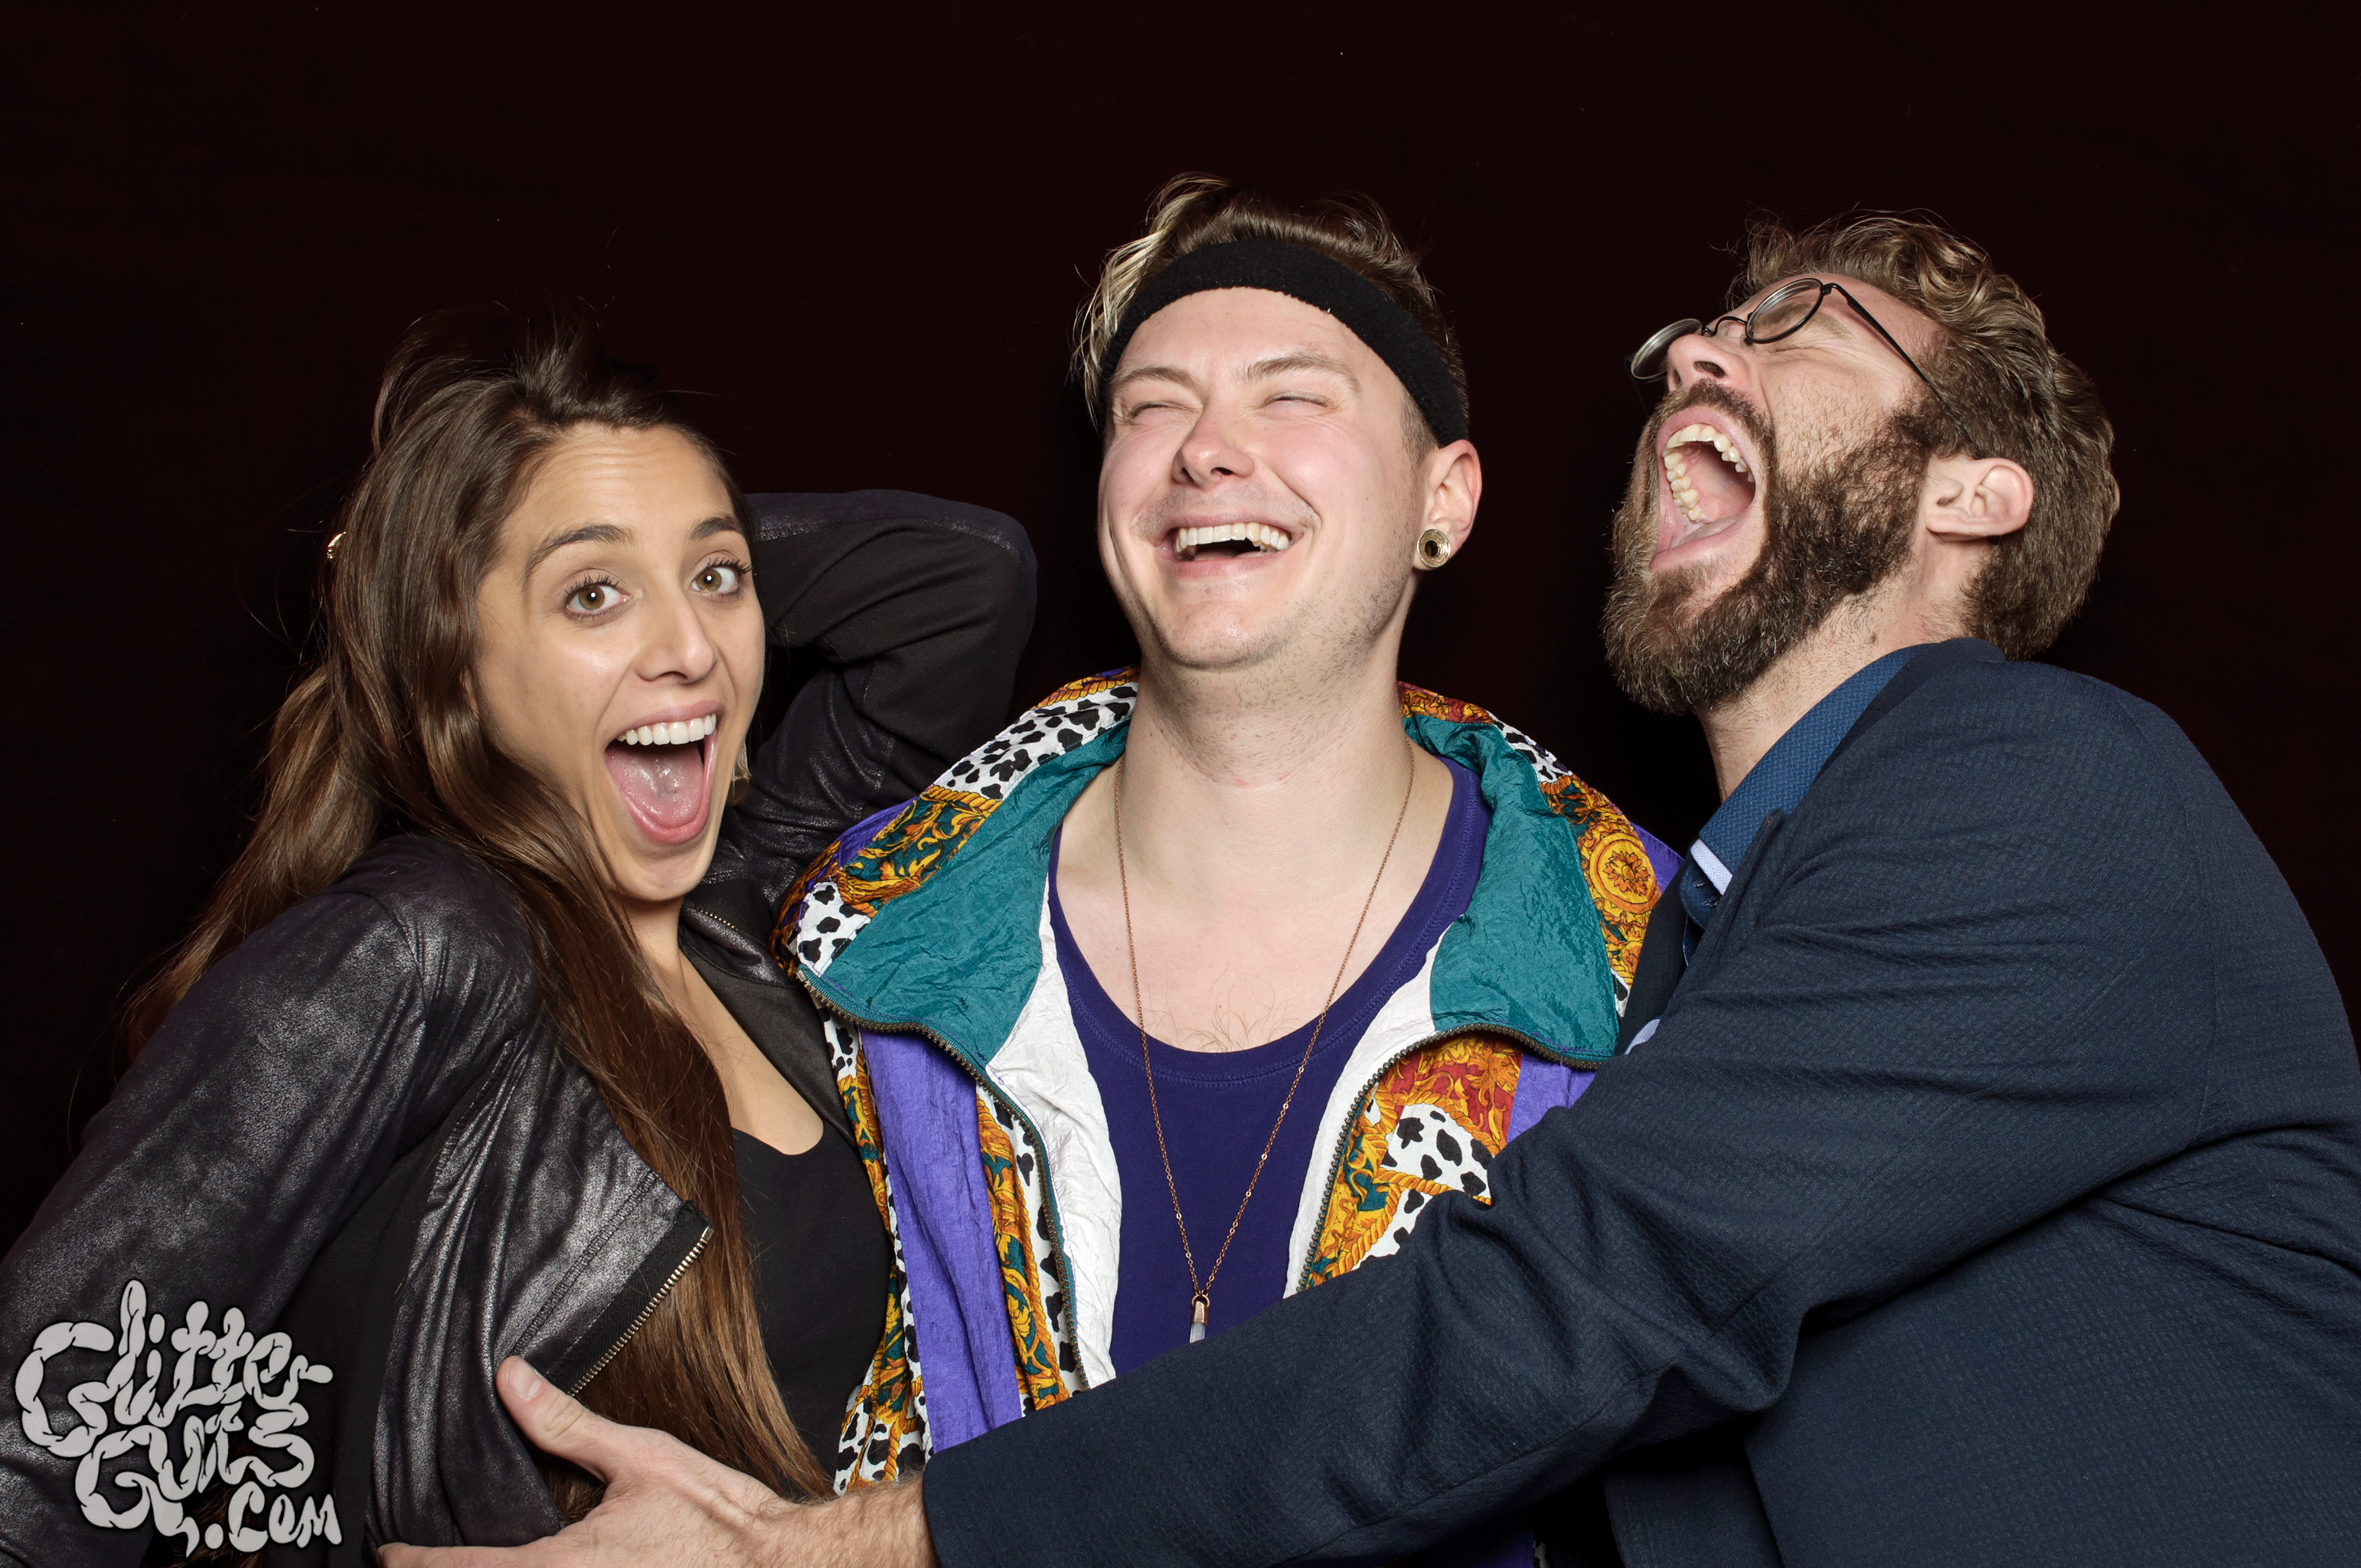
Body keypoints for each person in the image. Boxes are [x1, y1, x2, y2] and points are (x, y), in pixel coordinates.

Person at [384, 212, 2361, 1568]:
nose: (1696, 345)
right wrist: (504, 565)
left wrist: (835, 1553)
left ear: (1973, 492)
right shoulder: (1705, 958)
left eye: (1799, 326)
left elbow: (1553, 1312)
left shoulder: (2037, 786)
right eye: (1150, 406)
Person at [0, 307, 1034, 1565]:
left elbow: (965, 582)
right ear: (456, 664)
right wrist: (419, 565)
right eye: (592, 597)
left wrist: (627, 535)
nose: (691, 651)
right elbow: (43, 1443)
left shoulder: (750, 914)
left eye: (719, 580)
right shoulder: (413, 949)